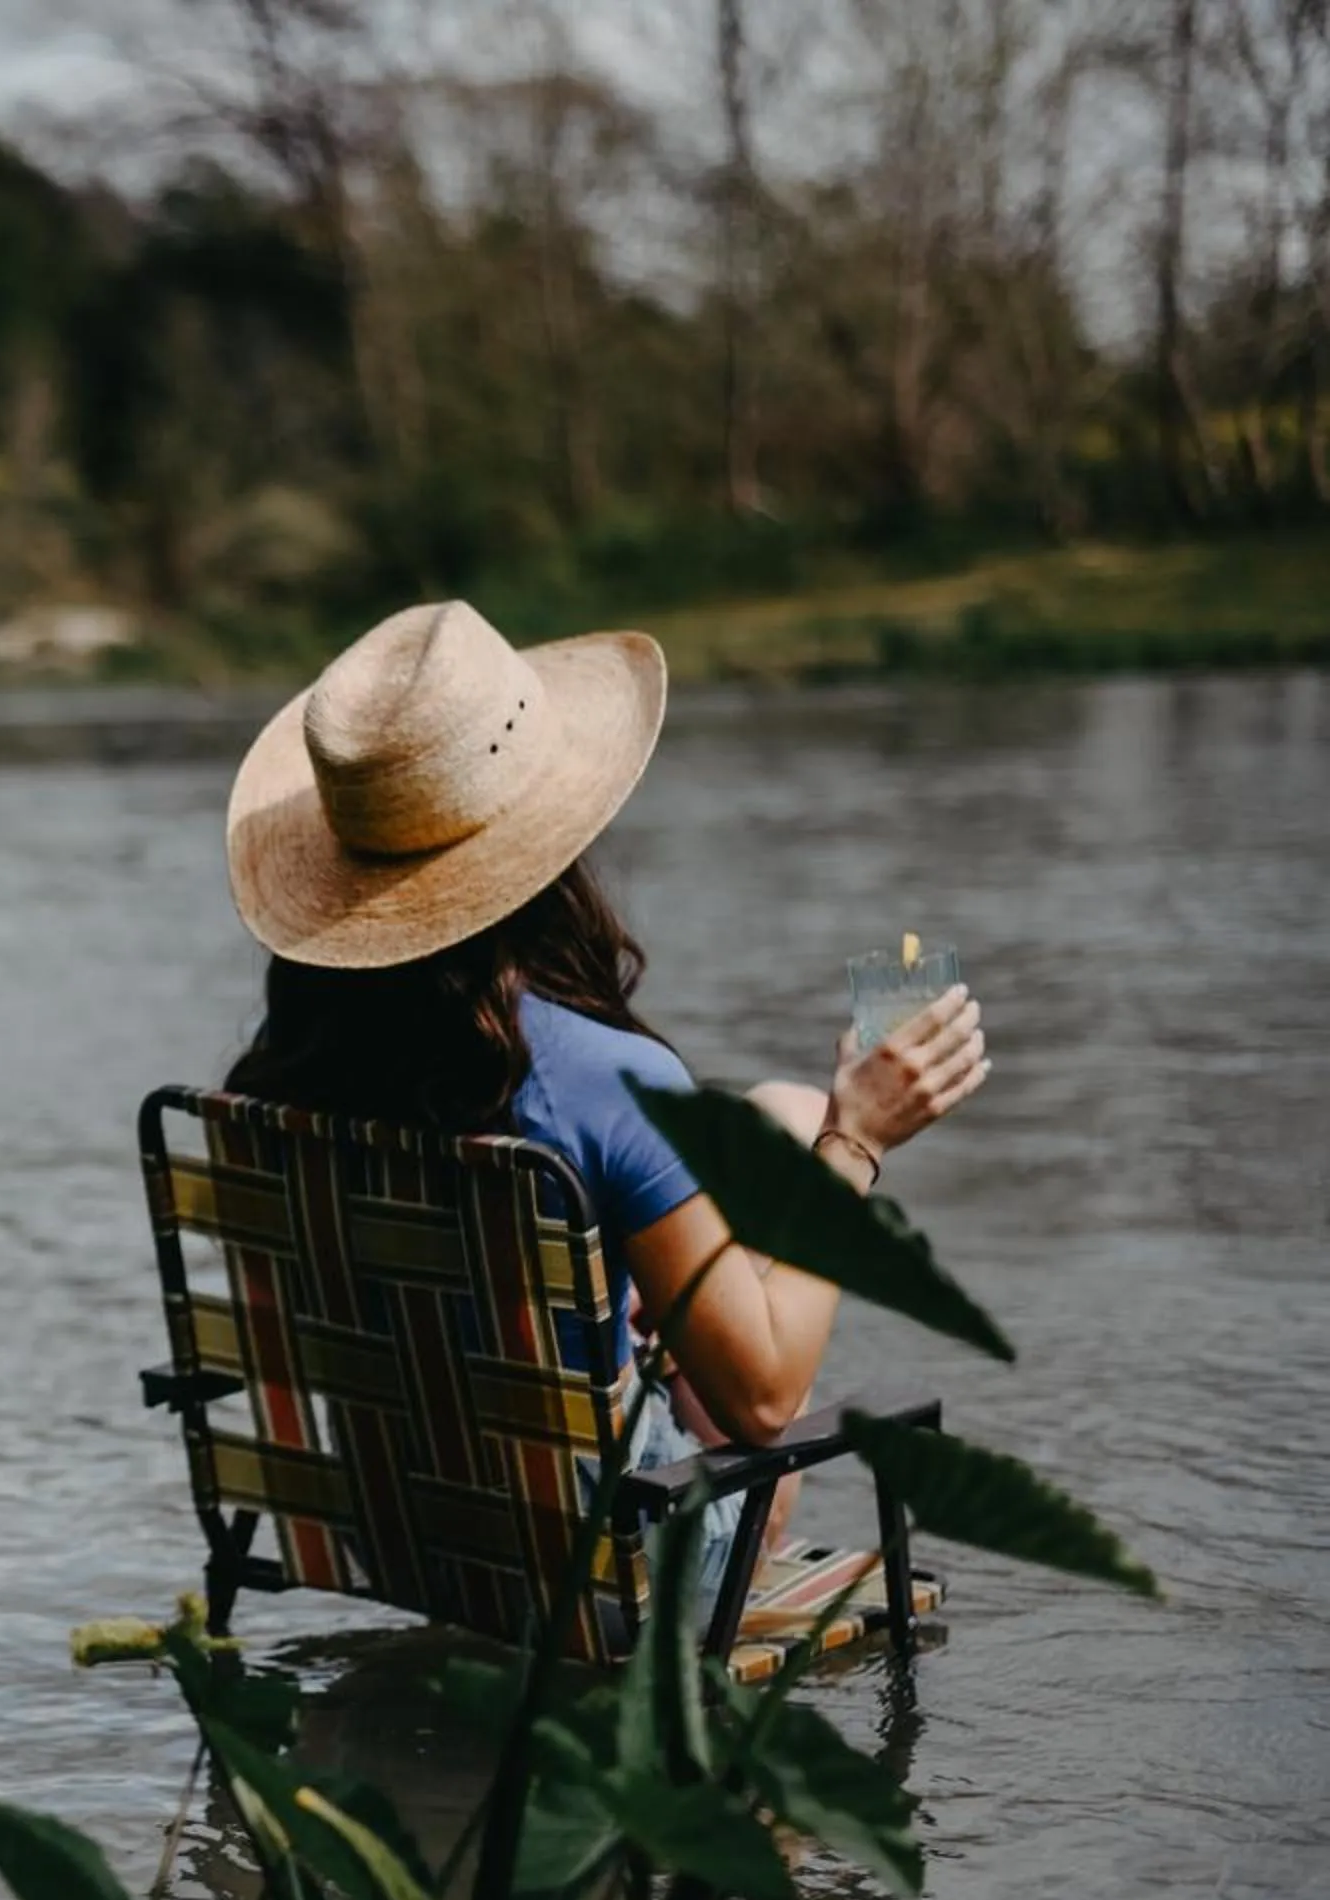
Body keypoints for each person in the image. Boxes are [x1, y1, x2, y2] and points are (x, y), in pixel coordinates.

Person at [218, 602, 990, 1592]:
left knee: (775, 1113)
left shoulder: (288, 1075)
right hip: (607, 1567)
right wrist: (858, 1140)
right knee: (806, 1139)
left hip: (391, 1533)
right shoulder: (598, 1079)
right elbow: (762, 1403)